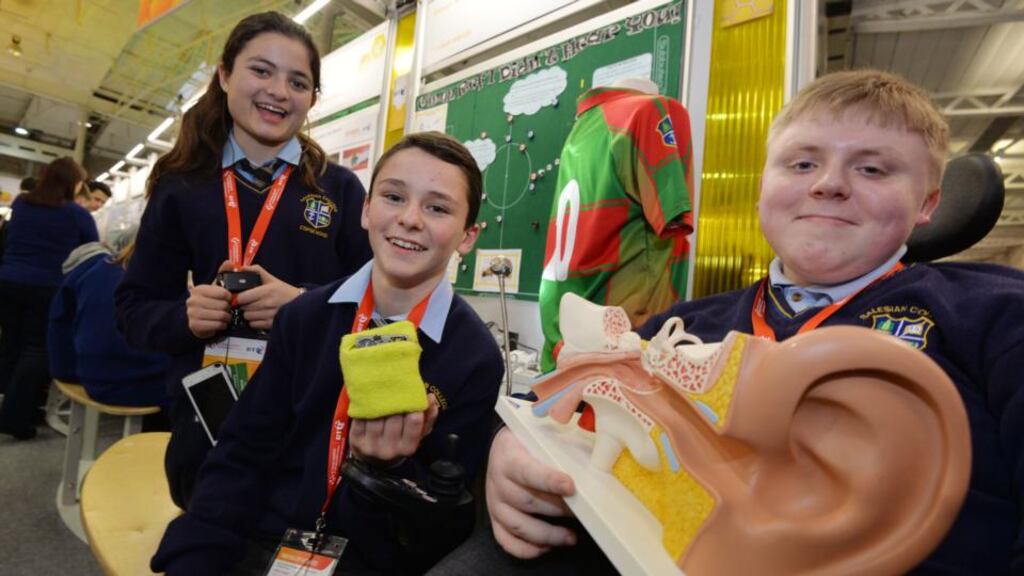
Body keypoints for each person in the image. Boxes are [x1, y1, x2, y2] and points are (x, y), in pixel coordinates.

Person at [440, 69, 1024, 575]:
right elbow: (568, 421)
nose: (830, 183)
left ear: (927, 203)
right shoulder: (685, 325)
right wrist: (515, 450)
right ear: (763, 188)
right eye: (802, 162)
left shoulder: (994, 314)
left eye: (873, 169)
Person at [151, 132, 504, 575]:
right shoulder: (306, 317)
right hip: (266, 540)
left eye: (437, 207)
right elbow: (243, 449)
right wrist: (200, 547)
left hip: (372, 559)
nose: (410, 219)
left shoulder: (473, 356)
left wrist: (389, 470)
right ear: (366, 209)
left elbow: (445, 524)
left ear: (468, 236)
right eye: (394, 196)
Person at [114, 11, 372, 508]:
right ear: (225, 75)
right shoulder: (182, 187)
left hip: (309, 423)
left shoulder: (338, 190)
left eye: (298, 81)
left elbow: (376, 307)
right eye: (261, 70)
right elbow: (132, 309)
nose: (278, 90)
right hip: (208, 423)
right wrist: (184, 318)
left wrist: (302, 305)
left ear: (312, 98)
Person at [0, 157, 98, 439]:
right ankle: (15, 416)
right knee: (37, 350)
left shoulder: (21, 202)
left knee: (10, 344)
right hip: (46, 287)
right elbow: (90, 249)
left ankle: (14, 404)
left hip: (7, 282)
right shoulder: (76, 215)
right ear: (71, 183)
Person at [48, 235, 169, 408]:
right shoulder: (157, 281)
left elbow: (58, 325)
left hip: (88, 373)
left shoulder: (99, 268)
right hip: (123, 384)